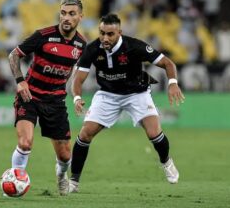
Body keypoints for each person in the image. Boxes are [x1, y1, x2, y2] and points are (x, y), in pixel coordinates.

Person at [69, 13, 185, 193]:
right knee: (84, 135)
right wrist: (77, 98)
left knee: (154, 133)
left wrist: (172, 84)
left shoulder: (135, 46)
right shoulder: (92, 49)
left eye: (110, 34)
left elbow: (168, 63)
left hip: (136, 93)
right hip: (107, 95)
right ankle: (73, 182)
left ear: (119, 33)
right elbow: (77, 80)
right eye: (102, 33)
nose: (105, 38)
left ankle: (166, 162)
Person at [7, 0, 87, 196]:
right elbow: (14, 55)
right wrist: (19, 81)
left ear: (80, 17)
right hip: (30, 96)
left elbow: (74, 73)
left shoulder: (81, 45)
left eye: (71, 13)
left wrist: (75, 96)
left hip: (55, 100)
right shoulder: (43, 36)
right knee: (25, 142)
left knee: (65, 154)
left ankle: (61, 176)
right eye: (63, 13)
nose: (66, 17)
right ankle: (15, 183)